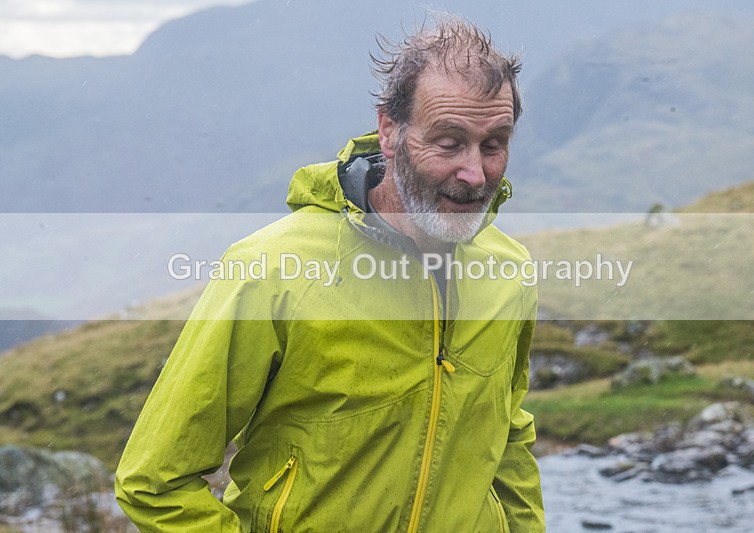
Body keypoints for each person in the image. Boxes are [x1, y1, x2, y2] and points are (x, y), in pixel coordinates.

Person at [116, 14, 545, 533]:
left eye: (494, 144)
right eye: (449, 143)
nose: (475, 174)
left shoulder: (510, 271)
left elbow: (507, 437)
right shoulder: (272, 270)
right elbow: (154, 482)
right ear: (389, 131)